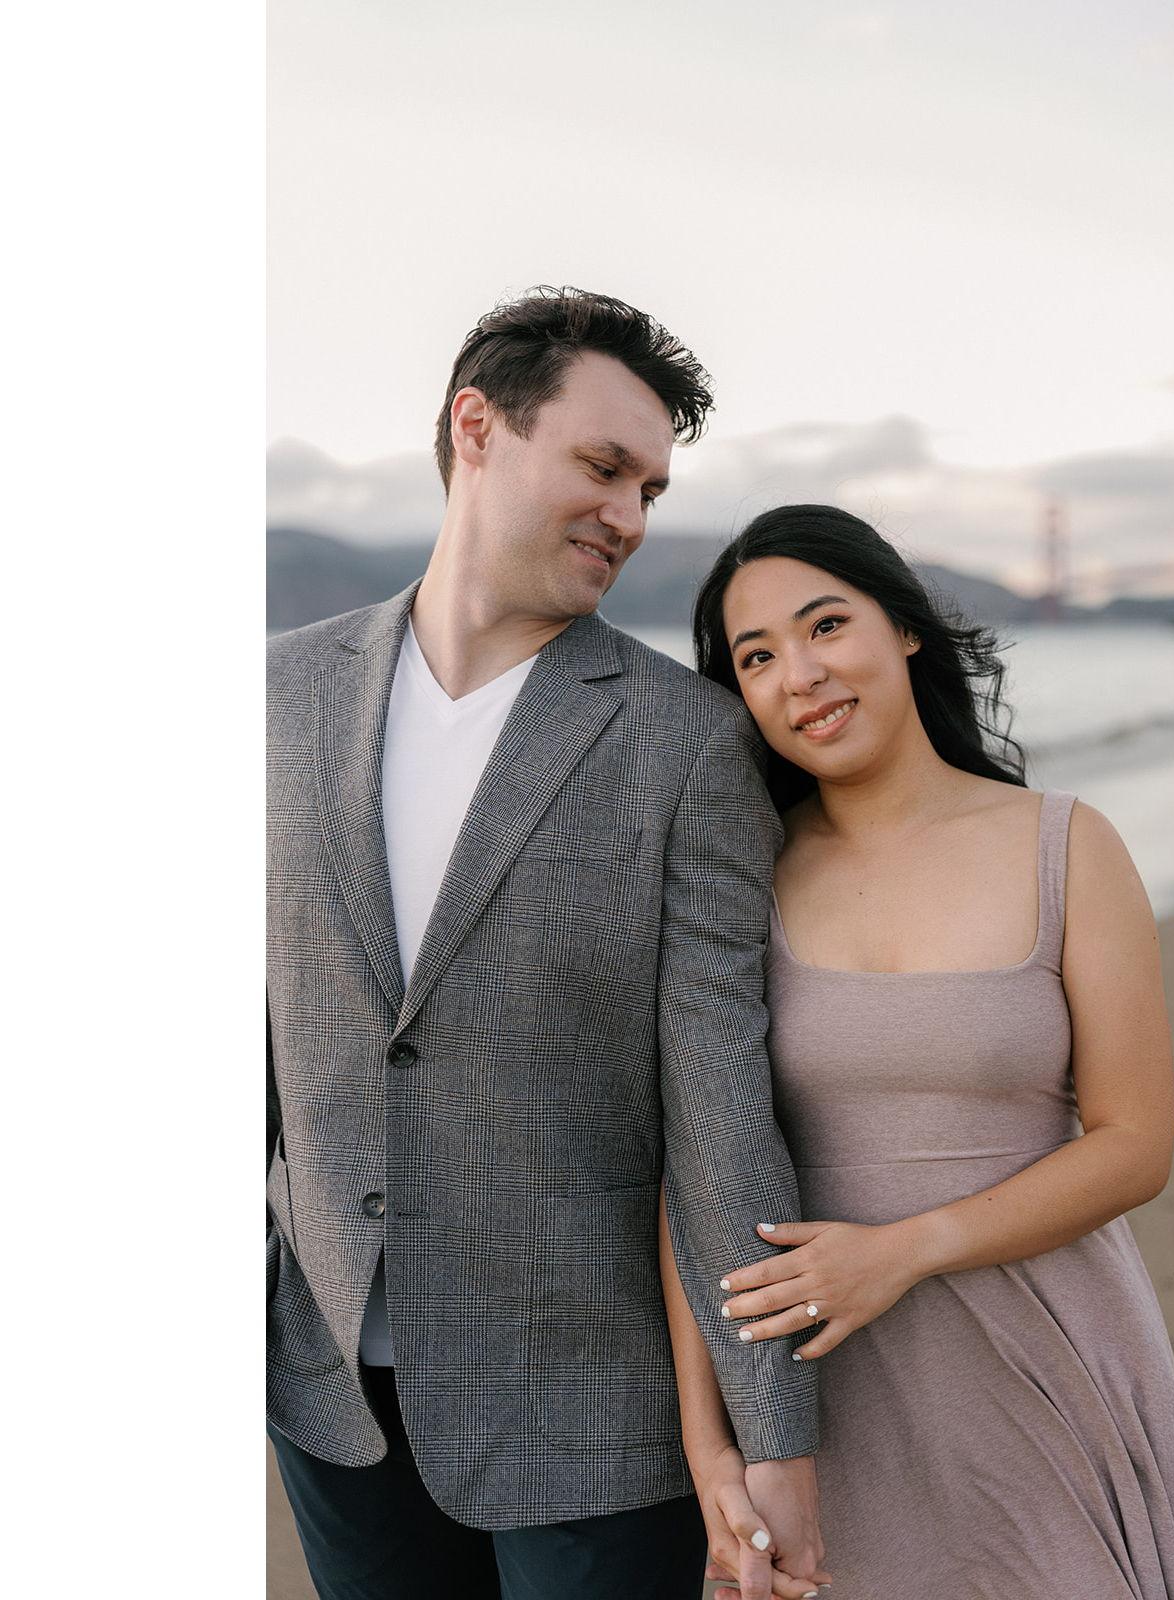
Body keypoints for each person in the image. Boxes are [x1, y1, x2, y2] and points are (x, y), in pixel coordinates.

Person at [266, 289, 828, 1600]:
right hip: (329, 1395)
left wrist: (773, 1435)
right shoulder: (271, 696)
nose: (629, 515)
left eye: (648, 488)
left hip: (592, 1405)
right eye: (603, 465)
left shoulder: (687, 744)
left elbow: (719, 1115)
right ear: (478, 427)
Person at [668, 503, 1174, 1597]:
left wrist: (903, 1250)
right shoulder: (737, 877)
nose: (801, 674)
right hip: (827, 1404)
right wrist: (713, 1452)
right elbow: (690, 1173)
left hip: (1047, 1354)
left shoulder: (1064, 844)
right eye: (757, 656)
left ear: (904, 628)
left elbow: (1135, 1143)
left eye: (826, 625)